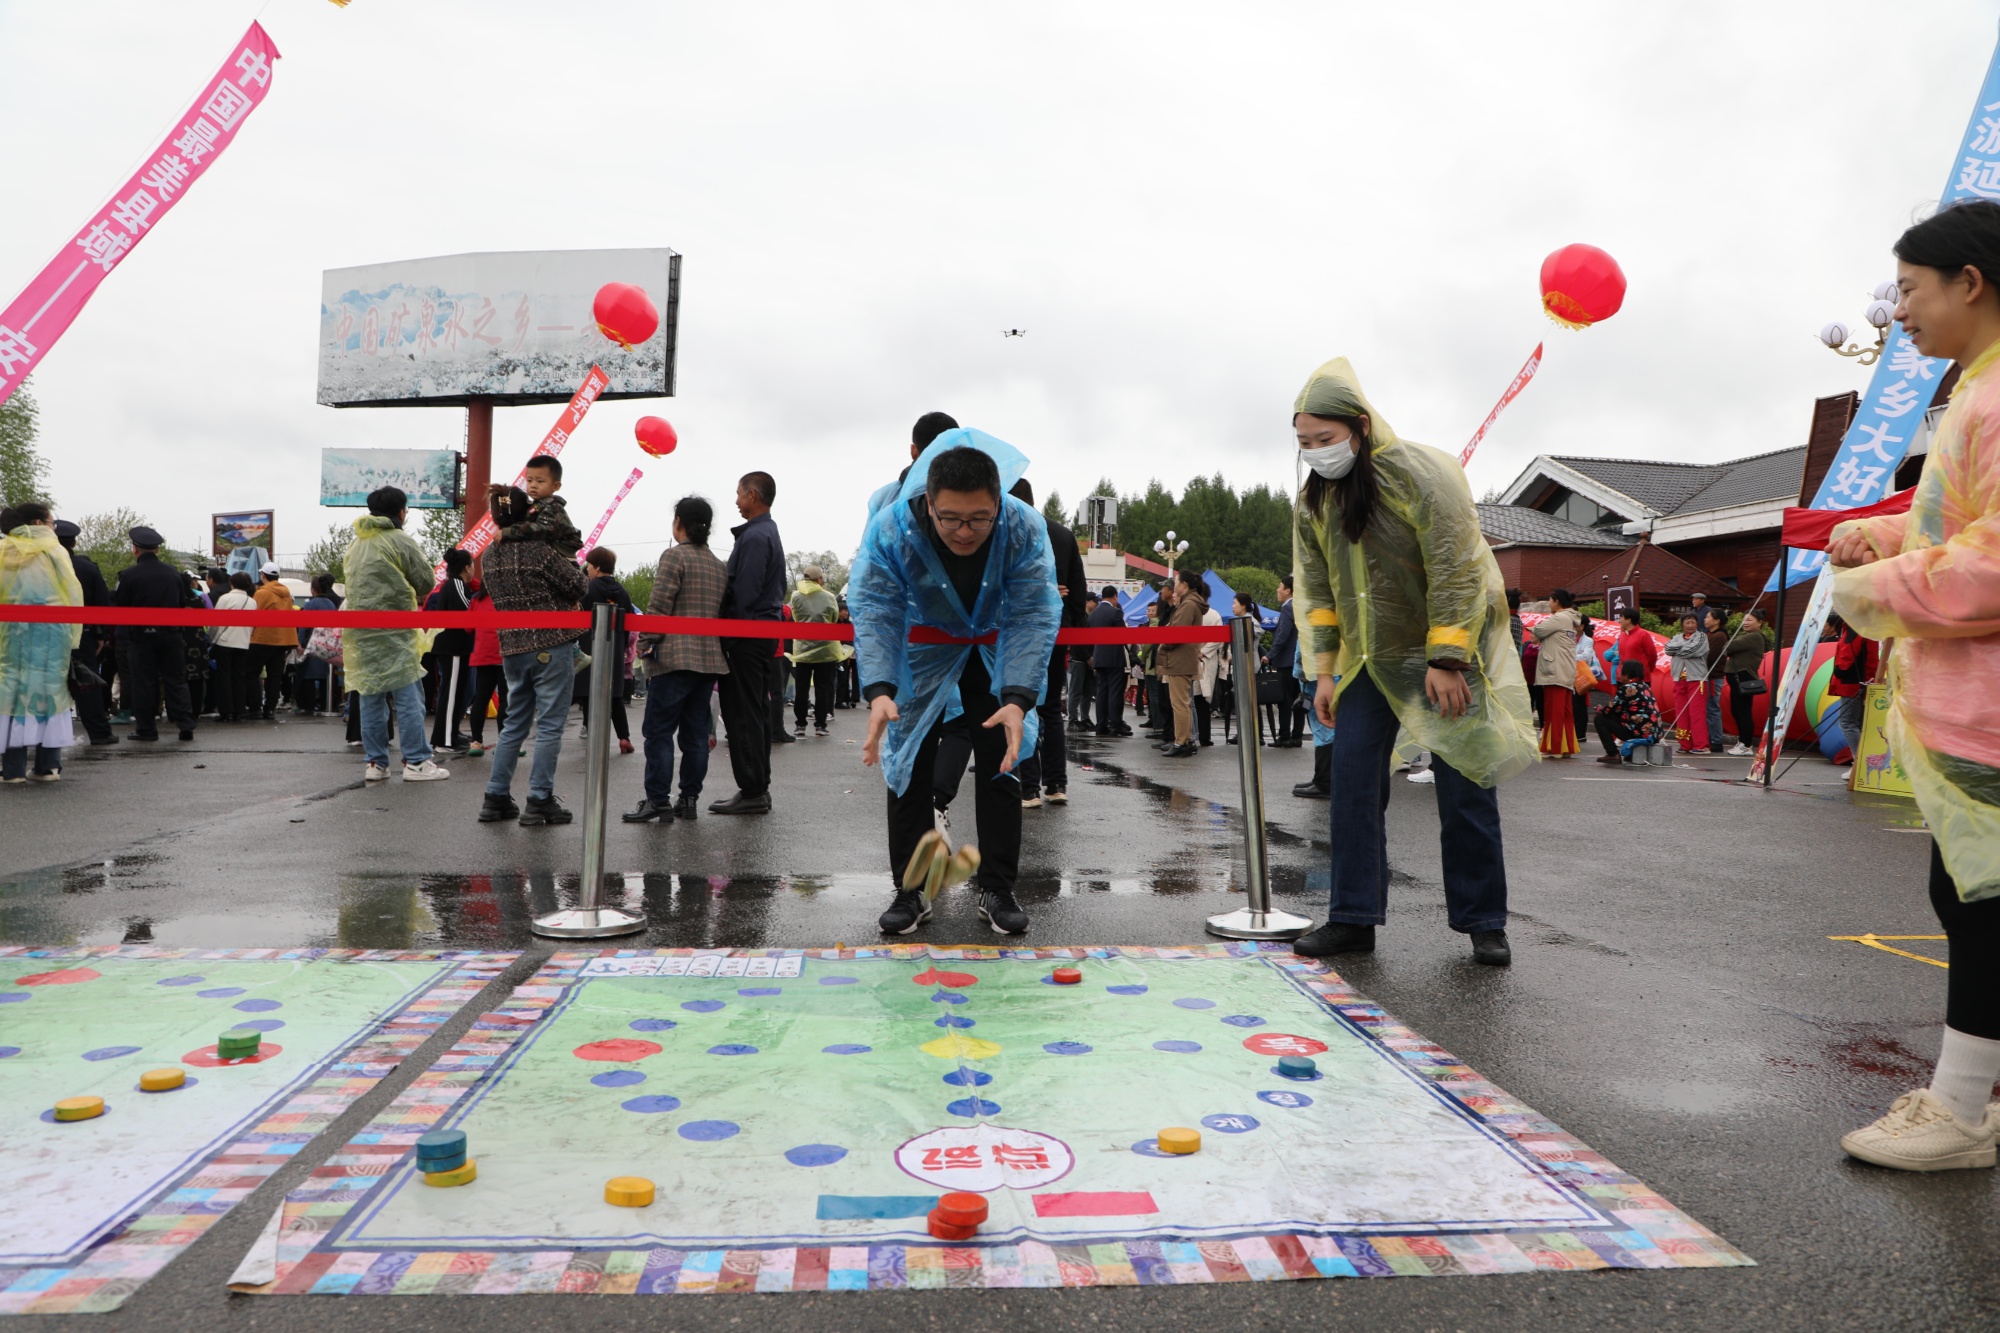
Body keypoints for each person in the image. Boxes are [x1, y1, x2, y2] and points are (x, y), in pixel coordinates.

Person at [1827, 198, 2000, 1170]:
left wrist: (1866, 582)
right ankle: (1968, 1098)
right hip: (1967, 705)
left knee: (1977, 901)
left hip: (1983, 711)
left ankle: (1958, 1111)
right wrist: (1883, 533)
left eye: (1907, 289)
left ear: (1967, 283)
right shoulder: (1973, 387)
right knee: (1969, 895)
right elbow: (1951, 524)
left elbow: (1987, 558)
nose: (1896, 311)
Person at [1286, 357, 1536, 966]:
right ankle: (1352, 917)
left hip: (1441, 657)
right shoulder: (1315, 500)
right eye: (1305, 443)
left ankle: (1484, 920)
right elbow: (1317, 590)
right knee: (1351, 785)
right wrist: (1324, 669)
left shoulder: (1423, 475)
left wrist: (1448, 658)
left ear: (1361, 426)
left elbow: (1457, 567)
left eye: (1326, 439)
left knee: (1464, 783)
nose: (1317, 452)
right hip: (1367, 662)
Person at [852, 434, 1060, 937]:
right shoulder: (895, 527)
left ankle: (996, 886)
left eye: (978, 518)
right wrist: (880, 688)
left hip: (996, 645)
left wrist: (1017, 699)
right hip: (923, 646)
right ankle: (913, 889)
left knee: (1002, 758)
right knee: (910, 759)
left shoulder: (1021, 525)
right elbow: (876, 605)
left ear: (998, 502)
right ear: (928, 501)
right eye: (951, 519)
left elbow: (1033, 610)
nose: (965, 532)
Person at [478, 482, 586, 824]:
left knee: (514, 724)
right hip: (550, 644)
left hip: (512, 646)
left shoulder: (489, 554)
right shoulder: (540, 550)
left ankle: (496, 797)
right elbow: (578, 586)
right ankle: (539, 799)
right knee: (551, 725)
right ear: (529, 513)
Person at [626, 495, 729, 823]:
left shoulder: (673, 557)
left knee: (658, 731)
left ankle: (657, 799)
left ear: (678, 523)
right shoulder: (717, 565)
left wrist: (644, 646)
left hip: (672, 658)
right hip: (708, 659)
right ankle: (689, 799)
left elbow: (658, 608)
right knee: (695, 734)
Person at [342, 488, 450, 784]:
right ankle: (416, 761)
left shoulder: (356, 543)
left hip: (361, 632)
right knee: (408, 696)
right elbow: (426, 581)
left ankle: (376, 763)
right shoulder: (400, 540)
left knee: (370, 695)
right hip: (396, 629)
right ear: (401, 512)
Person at [711, 471, 784, 815]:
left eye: (739, 494)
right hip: (760, 633)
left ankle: (753, 789)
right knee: (754, 711)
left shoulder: (755, 536)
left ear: (753, 495)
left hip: (747, 634)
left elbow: (746, 593)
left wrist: (727, 636)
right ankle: (756, 787)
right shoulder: (765, 531)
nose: (736, 500)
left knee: (742, 713)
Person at [1011, 478, 1085, 808]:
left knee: (1021, 705)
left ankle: (1028, 789)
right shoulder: (1062, 533)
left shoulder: (1009, 531)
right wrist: (1071, 624)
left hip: (1020, 633)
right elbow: (1079, 591)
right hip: (1057, 632)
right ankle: (1056, 784)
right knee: (1052, 708)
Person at [0, 503, 82, 783]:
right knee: (50, 694)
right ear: (38, 522)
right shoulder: (55, 551)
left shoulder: (2, 551)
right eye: (51, 522)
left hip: (10, 635)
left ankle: (11, 771)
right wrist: (73, 636)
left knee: (11, 696)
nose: (53, 527)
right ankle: (48, 767)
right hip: (51, 634)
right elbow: (72, 592)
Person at [110, 526, 195, 743]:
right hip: (172, 635)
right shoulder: (174, 574)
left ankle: (147, 729)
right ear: (157, 550)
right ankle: (185, 724)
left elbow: (122, 608)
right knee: (176, 680)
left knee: (143, 682)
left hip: (141, 637)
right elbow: (180, 604)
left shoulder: (128, 576)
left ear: (134, 549)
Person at [52, 519, 115, 747]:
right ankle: (99, 733)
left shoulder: (38, 565)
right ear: (75, 542)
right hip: (82, 634)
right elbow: (102, 605)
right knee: (85, 683)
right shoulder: (88, 568)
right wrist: (102, 635)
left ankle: (35, 737)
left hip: (42, 634)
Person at [578, 546, 636, 755]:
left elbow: (578, 620)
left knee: (591, 694)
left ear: (598, 567)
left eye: (590, 565)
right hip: (615, 650)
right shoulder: (622, 591)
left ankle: (595, 738)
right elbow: (628, 624)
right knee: (614, 696)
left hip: (590, 649)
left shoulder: (587, 589)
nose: (588, 569)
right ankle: (624, 738)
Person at [422, 550, 478, 753]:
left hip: (456, 647)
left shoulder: (454, 585)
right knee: (451, 693)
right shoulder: (456, 585)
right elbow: (469, 610)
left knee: (455, 692)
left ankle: (451, 734)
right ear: (466, 567)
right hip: (453, 646)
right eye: (472, 565)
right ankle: (444, 740)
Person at [788, 563, 842, 738]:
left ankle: (800, 725)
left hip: (803, 649)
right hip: (825, 649)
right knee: (822, 689)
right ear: (819, 579)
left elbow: (795, 617)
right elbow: (834, 618)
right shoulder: (828, 596)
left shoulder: (795, 596)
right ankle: (820, 725)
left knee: (801, 689)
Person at [1158, 565, 1205, 757]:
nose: (1173, 585)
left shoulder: (1188, 604)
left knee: (1180, 703)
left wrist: (1163, 644)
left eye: (1176, 582)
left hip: (1180, 659)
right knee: (1181, 702)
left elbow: (1176, 634)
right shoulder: (1190, 602)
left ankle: (1182, 741)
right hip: (1183, 658)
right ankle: (1182, 739)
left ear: (1183, 585)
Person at [1532, 588, 1581, 757]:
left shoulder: (1560, 617)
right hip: (1565, 670)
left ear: (1557, 601)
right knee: (1565, 711)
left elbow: (1537, 630)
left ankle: (1556, 747)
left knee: (1554, 710)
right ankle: (1566, 746)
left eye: (1550, 600)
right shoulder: (1571, 618)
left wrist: (1538, 635)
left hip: (1554, 669)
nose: (1549, 603)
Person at [1827, 611, 1878, 767]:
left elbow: (1847, 654)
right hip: (1864, 680)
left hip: (1852, 683)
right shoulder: (1866, 628)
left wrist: (1839, 671)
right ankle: (1862, 760)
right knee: (1858, 723)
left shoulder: (1855, 628)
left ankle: (1859, 762)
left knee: (1847, 723)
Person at [1593, 659, 1664, 765]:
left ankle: (1612, 754)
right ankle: (1630, 754)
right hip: (1655, 734)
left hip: (1640, 733)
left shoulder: (1627, 688)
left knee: (1600, 718)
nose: (1619, 674)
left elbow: (1610, 710)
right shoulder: (1644, 686)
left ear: (1627, 674)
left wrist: (1599, 709)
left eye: (1621, 671)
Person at [247, 562, 294, 720]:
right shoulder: (286, 594)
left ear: (263, 576)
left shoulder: (262, 593)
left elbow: (254, 615)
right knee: (275, 676)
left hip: (262, 638)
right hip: (282, 639)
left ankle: (255, 707)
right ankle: (270, 709)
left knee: (252, 672)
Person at [1719, 610, 1769, 756]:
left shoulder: (1754, 636)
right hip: (1737, 677)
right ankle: (1742, 741)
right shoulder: (1748, 636)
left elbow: (1727, 648)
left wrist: (1731, 647)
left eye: (1750, 620)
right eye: (1745, 620)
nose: (1746, 623)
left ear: (1760, 623)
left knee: (1743, 711)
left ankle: (1746, 744)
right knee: (1737, 710)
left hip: (1743, 677)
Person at [464, 585, 506, 758]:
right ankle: (506, 742)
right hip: (505, 654)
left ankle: (476, 741)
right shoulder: (507, 597)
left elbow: (468, 627)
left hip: (483, 654)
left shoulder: (476, 599)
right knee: (506, 699)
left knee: (481, 698)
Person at [210, 573, 256, 722]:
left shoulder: (225, 599)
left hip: (225, 641)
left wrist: (212, 638)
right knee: (239, 677)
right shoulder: (252, 602)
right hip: (243, 643)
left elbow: (215, 622)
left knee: (224, 677)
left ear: (232, 583)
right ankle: (239, 710)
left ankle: (226, 711)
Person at [1664, 614, 1712, 754]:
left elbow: (1694, 650)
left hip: (1697, 679)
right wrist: (1682, 647)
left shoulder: (1701, 637)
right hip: (1679, 678)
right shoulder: (1677, 637)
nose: (1690, 625)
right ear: (1682, 625)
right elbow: (1667, 649)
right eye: (1687, 622)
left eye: (1693, 622)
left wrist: (1677, 649)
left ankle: (1701, 745)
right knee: (1681, 712)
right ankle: (1685, 744)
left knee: (1696, 712)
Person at [295, 574, 339, 716]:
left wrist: (300, 644)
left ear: (313, 589)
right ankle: (327, 703)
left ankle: (308, 705)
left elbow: (304, 626)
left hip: (312, 644)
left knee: (308, 676)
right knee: (325, 676)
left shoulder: (310, 604)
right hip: (329, 644)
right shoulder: (331, 604)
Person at [1269, 575, 1301, 746]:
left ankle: (1284, 736)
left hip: (1287, 662)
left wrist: (1270, 655)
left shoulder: (1288, 608)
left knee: (1285, 701)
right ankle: (1297, 736)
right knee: (1299, 699)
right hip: (1298, 661)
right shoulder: (1300, 606)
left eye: (1280, 587)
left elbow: (1282, 636)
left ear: (1288, 590)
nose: (1277, 590)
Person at [1194, 591, 1226, 747]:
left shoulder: (1212, 615)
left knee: (1201, 699)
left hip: (1201, 659)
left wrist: (1201, 652)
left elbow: (1218, 637)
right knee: (1201, 699)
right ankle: (1202, 736)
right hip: (1205, 658)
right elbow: (1218, 638)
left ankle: (1201, 735)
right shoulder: (1213, 614)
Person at [1069, 594, 1097, 731]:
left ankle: (1085, 718)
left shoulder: (1090, 618)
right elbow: (1078, 641)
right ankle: (1072, 719)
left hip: (1088, 660)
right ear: (1087, 602)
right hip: (1078, 660)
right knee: (1075, 691)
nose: (1097, 604)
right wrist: (1088, 656)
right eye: (1095, 601)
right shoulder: (1079, 618)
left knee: (1087, 692)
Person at [1702, 609, 1729, 748]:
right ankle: (1711, 738)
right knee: (1709, 708)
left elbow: (1711, 657)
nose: (1705, 619)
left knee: (1713, 708)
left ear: (1717, 620)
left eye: (1708, 616)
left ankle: (1716, 740)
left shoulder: (1719, 636)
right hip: (1707, 675)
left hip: (1713, 676)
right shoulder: (1709, 634)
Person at [1613, 606, 1657, 678]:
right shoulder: (1622, 635)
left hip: (1640, 678)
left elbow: (1652, 655)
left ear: (1628, 620)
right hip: (1623, 678)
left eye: (1621, 617)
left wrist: (1646, 670)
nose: (1619, 620)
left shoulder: (1643, 635)